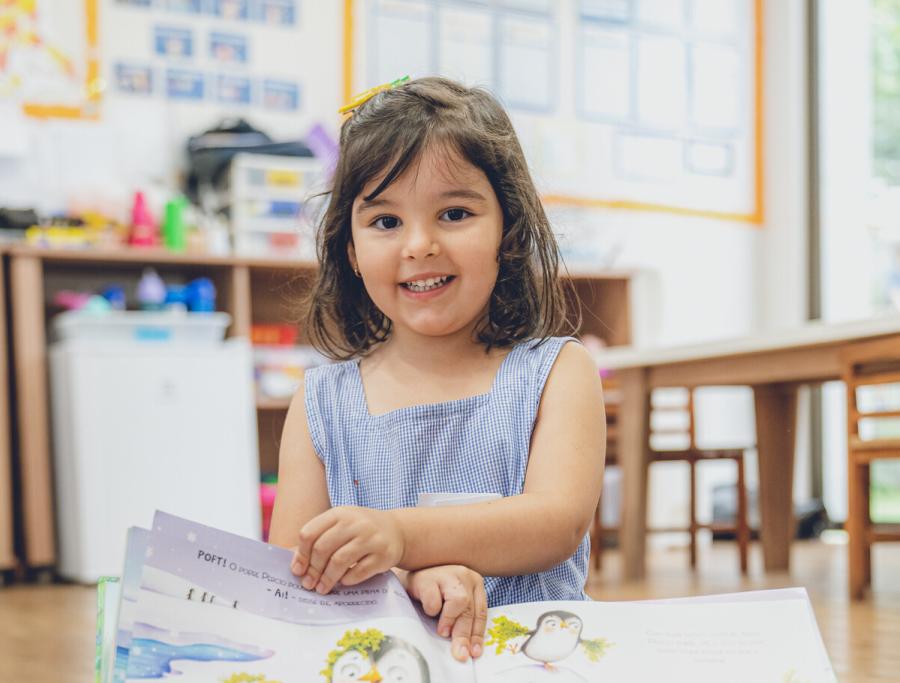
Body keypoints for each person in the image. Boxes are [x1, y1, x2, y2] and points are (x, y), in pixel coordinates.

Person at [269, 76, 606, 664]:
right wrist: (405, 576)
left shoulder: (557, 372)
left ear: (508, 229)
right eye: (385, 222)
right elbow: (297, 571)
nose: (419, 245)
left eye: (454, 213)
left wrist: (400, 536)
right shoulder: (321, 400)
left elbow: (555, 523)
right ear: (350, 250)